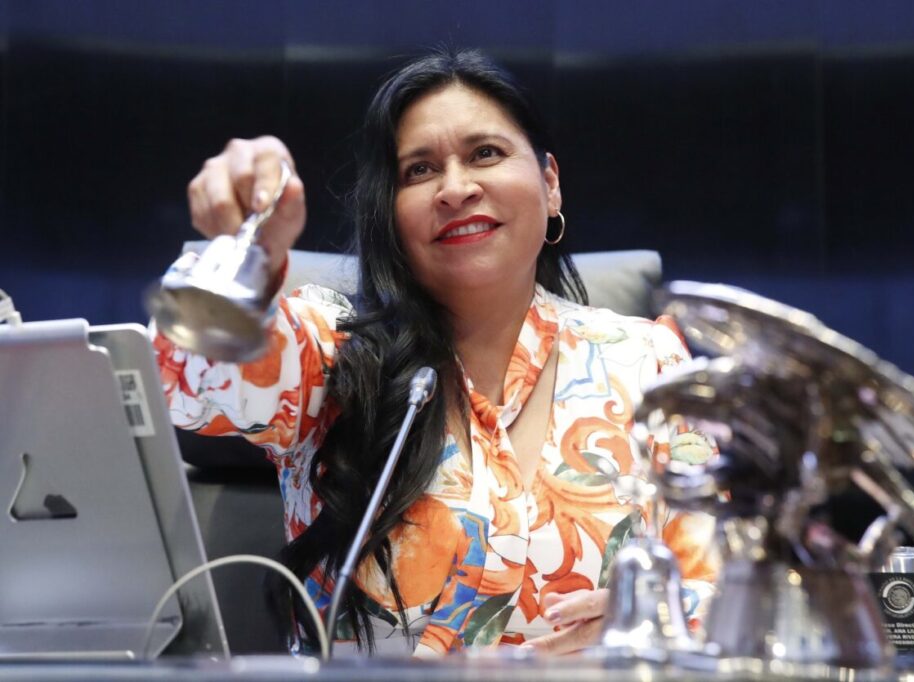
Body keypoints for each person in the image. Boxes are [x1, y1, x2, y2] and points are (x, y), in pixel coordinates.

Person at [156, 48, 717, 657]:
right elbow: (192, 379)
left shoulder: (653, 365)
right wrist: (250, 254)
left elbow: (727, 592)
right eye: (419, 170)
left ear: (550, 183)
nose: (455, 188)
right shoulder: (335, 352)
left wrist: (656, 625)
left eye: (486, 153)